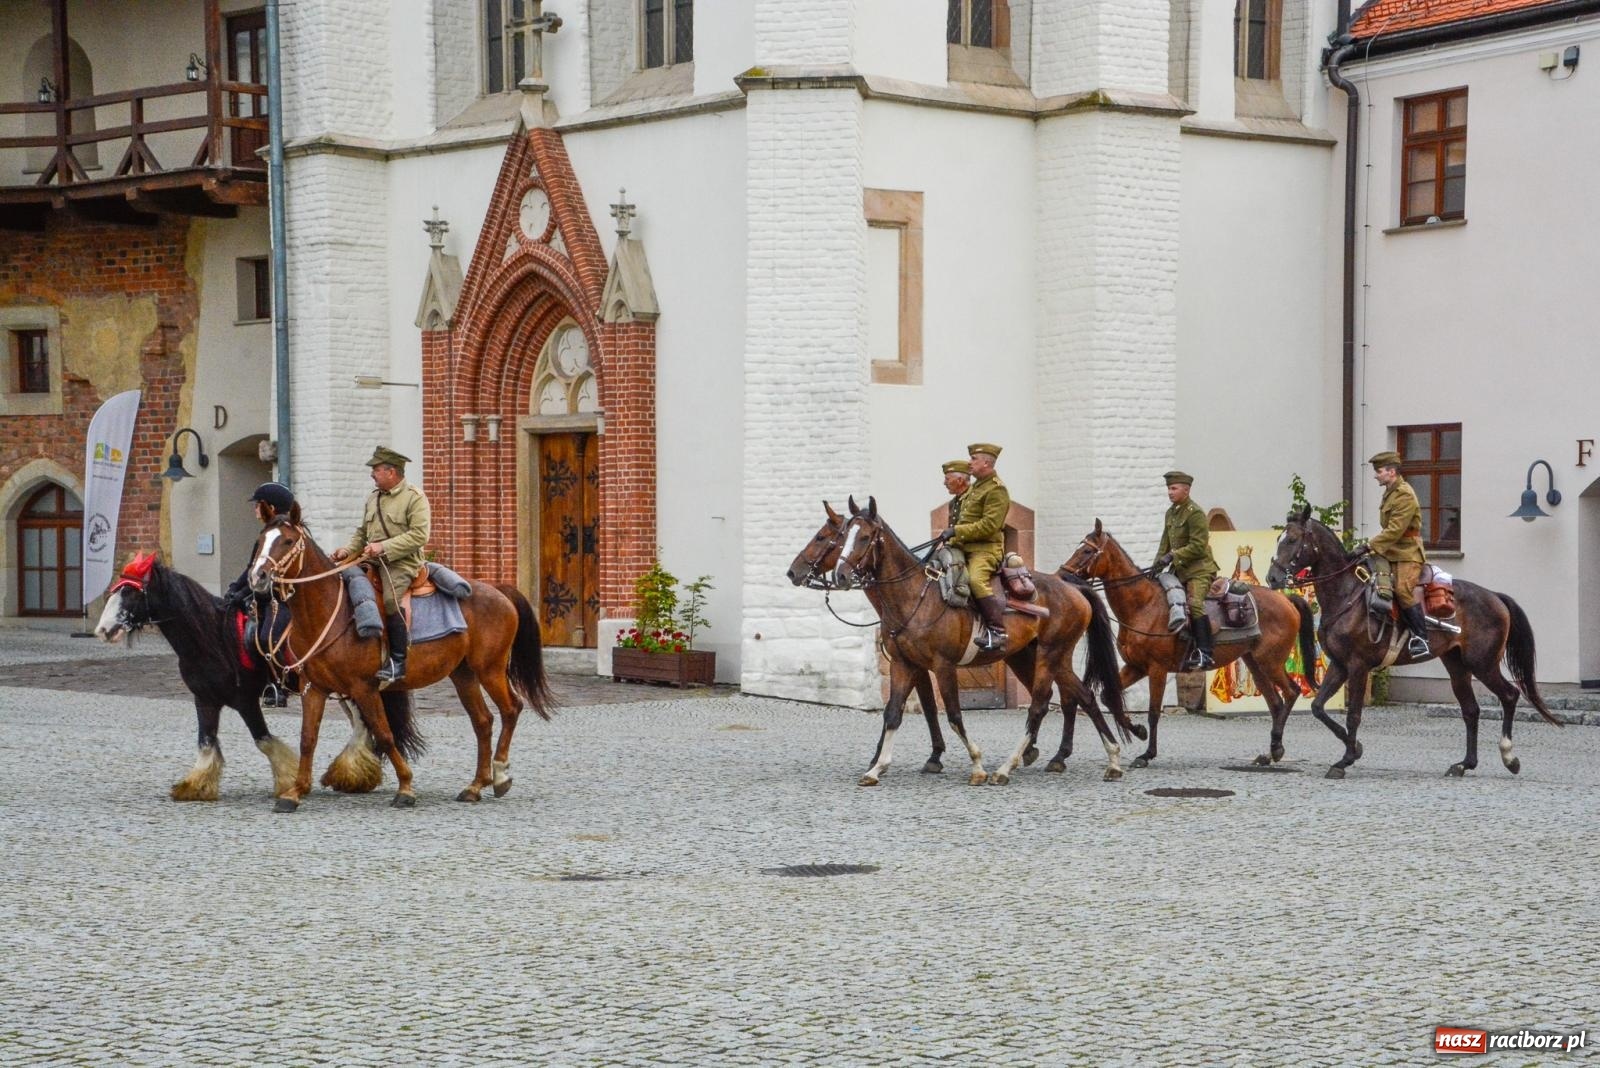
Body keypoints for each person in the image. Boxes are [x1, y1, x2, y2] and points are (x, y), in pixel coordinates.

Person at [330, 447, 432, 688]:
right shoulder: (373, 498)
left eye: (376, 470)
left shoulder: (414, 498)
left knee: (389, 601)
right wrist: (346, 551)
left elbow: (420, 535)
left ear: (391, 471)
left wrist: (384, 547)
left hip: (402, 562)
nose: (372, 475)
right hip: (373, 560)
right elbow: (362, 533)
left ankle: (398, 661)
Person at [221, 482, 299, 705]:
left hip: (283, 598)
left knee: (267, 637)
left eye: (257, 505)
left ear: (270, 507)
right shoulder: (266, 535)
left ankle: (279, 686)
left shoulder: (288, 535)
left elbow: (271, 574)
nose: (255, 510)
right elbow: (252, 568)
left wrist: (242, 593)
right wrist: (235, 589)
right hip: (262, 597)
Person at [1359, 450, 1431, 658]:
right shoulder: (1391, 491)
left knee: (1402, 590)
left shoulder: (1404, 494)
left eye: (1379, 471)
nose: (1375, 475)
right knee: (1371, 579)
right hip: (1391, 551)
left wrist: (1368, 545)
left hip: (1407, 553)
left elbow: (1395, 530)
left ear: (1391, 472)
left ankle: (1421, 638)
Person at [942, 443, 1010, 652]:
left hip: (985, 550)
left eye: (974, 459)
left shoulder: (996, 489)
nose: (969, 463)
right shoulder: (976, 488)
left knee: (975, 580)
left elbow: (990, 526)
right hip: (964, 547)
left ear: (987, 463)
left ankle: (998, 632)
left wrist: (957, 532)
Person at [1154, 471, 1219, 670]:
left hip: (1199, 570)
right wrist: (1156, 565)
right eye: (1169, 488)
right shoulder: (1171, 513)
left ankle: (1205, 653)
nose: (1170, 492)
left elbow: (1198, 545)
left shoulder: (1195, 512)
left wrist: (1173, 556)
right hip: (1179, 571)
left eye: (1173, 488)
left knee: (1195, 603)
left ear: (1186, 489)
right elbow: (1165, 543)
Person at [941, 459, 972, 528]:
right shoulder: (953, 503)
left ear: (960, 480)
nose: (944, 483)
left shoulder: (976, 497)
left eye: (947, 479)